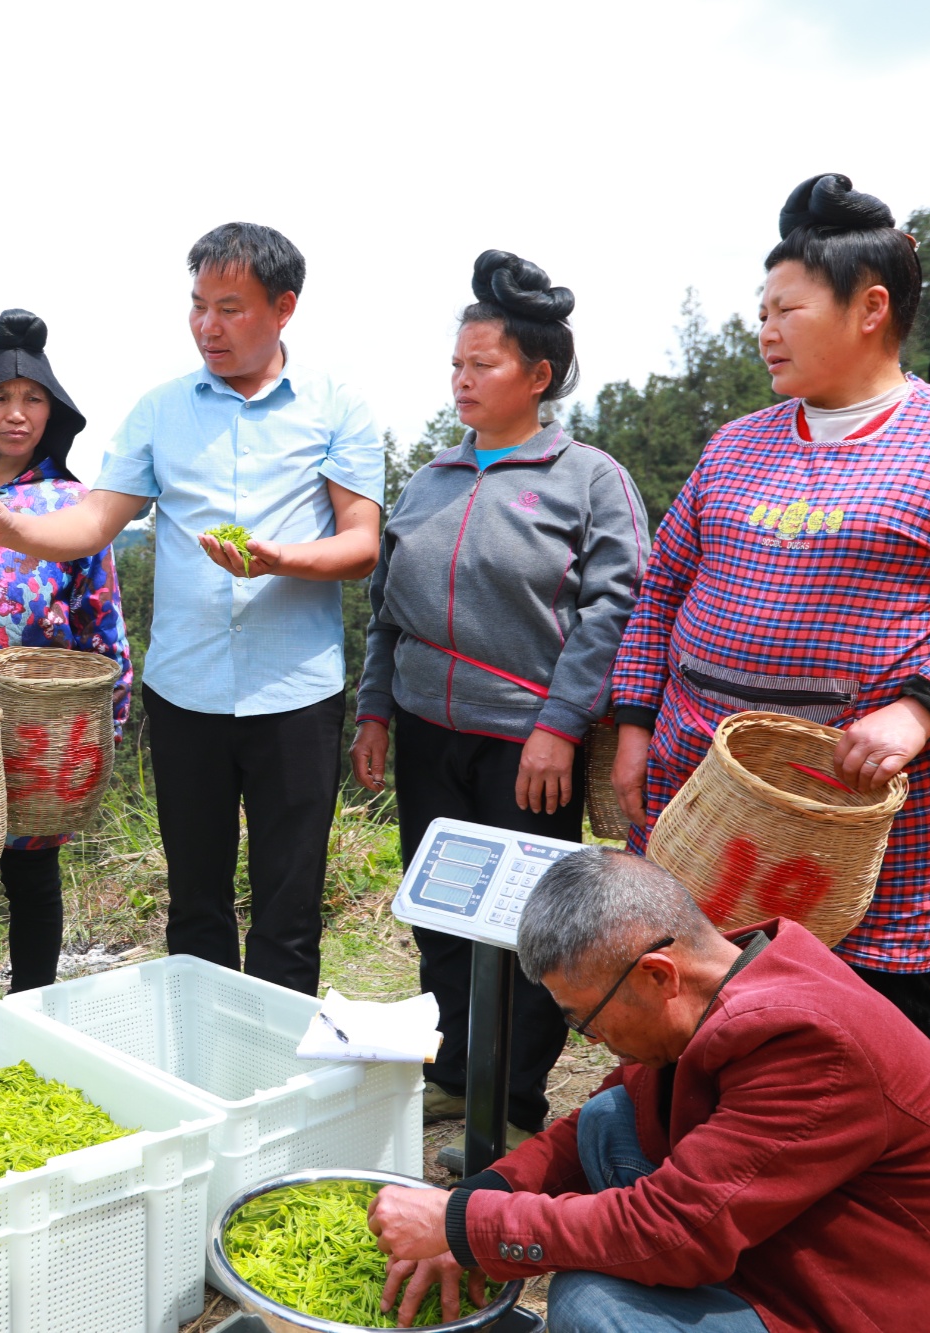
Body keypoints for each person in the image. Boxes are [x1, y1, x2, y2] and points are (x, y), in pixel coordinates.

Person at [608, 174, 930, 1052]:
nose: (765, 328)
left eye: (788, 308)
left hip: (849, 800)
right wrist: (632, 720)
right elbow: (660, 592)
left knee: (859, 1013)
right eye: (762, 308)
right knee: (696, 991)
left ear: (870, 308)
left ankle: (886, 1175)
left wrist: (922, 707)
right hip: (703, 786)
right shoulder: (738, 441)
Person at [362, 849, 930, 1333]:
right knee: (611, 1119)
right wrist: (479, 1192)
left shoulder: (810, 1044)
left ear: (657, 974)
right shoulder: (736, 978)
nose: (587, 1039)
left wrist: (466, 1227)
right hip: (840, 1262)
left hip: (928, 1309)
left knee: (595, 1306)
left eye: (584, 1018)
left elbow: (672, 1232)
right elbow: (600, 1122)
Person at [0, 223, 383, 995]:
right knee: (196, 904)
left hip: (296, 692)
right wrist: (9, 524)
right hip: (185, 693)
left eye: (230, 308)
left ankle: (277, 1073)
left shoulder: (337, 408)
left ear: (284, 308)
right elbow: (92, 523)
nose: (207, 327)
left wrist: (279, 557)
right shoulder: (160, 411)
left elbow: (361, 545)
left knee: (290, 903)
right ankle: (205, 1061)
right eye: (197, 306)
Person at [352, 251, 647, 1168]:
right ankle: (454, 1071)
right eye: (456, 364)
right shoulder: (432, 476)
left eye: (483, 364)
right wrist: (373, 709)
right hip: (429, 732)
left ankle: (513, 1097)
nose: (463, 379)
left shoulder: (586, 476)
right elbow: (387, 606)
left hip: (527, 743)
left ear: (538, 375)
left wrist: (560, 723)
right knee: (438, 907)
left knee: (525, 927)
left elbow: (616, 606)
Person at [0, 310, 131, 1003]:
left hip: (43, 728)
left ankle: (36, 1014)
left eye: (33, 399)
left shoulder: (73, 506)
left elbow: (101, 619)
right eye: (0, 398)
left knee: (32, 879)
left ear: (54, 410)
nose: (18, 414)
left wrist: (110, 722)